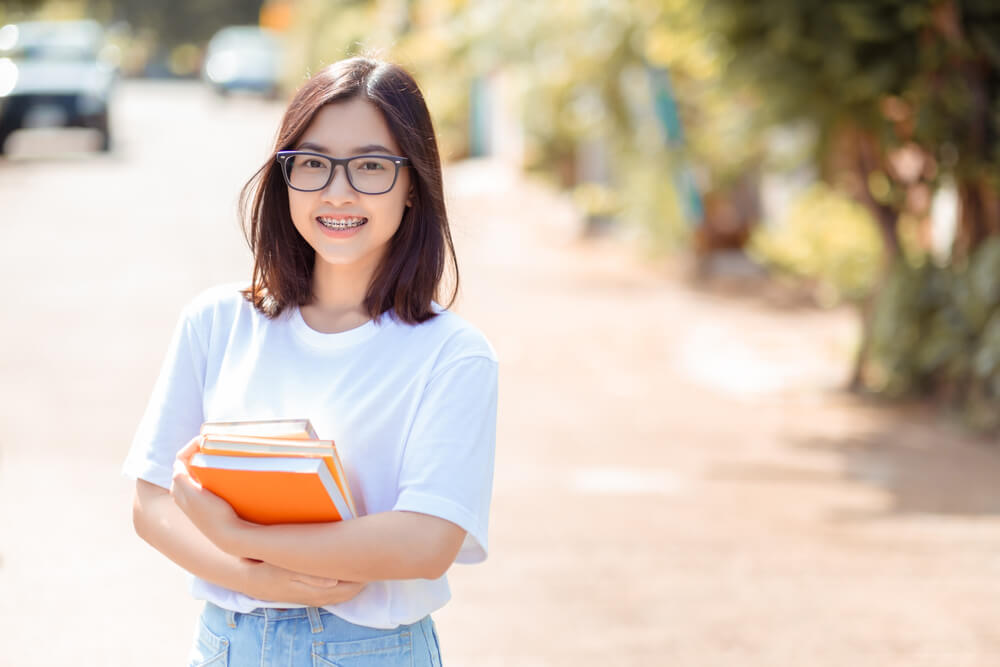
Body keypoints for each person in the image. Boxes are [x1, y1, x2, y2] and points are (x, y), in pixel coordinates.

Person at [123, 56, 498, 666]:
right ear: (284, 178)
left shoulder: (452, 354)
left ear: (413, 187)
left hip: (373, 651)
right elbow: (152, 501)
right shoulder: (217, 321)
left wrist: (239, 538)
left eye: (372, 166)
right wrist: (252, 579)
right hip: (229, 644)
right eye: (314, 164)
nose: (338, 192)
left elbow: (427, 541)